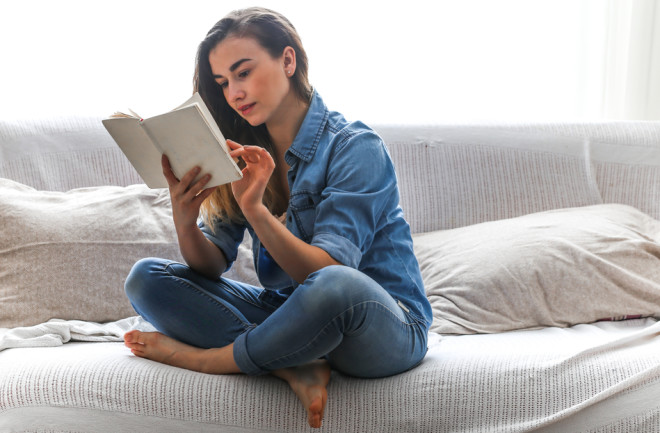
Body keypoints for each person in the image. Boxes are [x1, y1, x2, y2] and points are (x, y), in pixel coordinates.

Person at [122, 7, 432, 429]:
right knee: (146, 278)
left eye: (243, 73)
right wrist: (184, 216)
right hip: (294, 314)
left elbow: (331, 273)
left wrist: (256, 211)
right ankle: (290, 363)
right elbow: (211, 265)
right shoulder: (243, 150)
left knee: (334, 285)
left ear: (288, 61)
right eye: (223, 83)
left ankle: (214, 360)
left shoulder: (355, 146)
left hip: (384, 323)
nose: (233, 93)